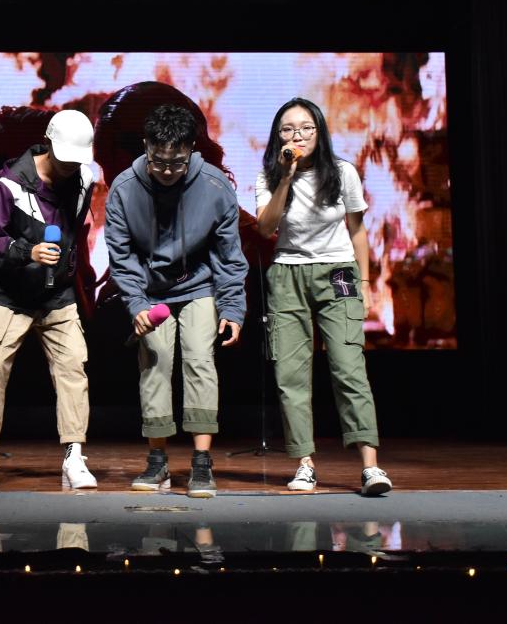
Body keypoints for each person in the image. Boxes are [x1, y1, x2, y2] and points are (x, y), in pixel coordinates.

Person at [105, 103, 248, 498]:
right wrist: (136, 304)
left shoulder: (215, 187)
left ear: (191, 150)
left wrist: (233, 308)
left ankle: (201, 462)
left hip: (199, 285)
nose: (167, 171)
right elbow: (121, 256)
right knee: (155, 362)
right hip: (151, 291)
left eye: (177, 163)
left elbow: (228, 255)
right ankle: (157, 460)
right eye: (159, 161)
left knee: (200, 360)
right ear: (146, 146)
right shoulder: (124, 189)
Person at [255, 97, 392, 496]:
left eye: (305, 128)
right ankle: (304, 465)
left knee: (349, 367)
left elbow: (357, 230)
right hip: (288, 274)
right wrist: (285, 178)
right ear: (278, 136)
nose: (297, 135)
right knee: (290, 375)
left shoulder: (343, 172)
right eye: (288, 129)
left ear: (319, 131)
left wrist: (364, 284)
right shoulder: (268, 175)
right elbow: (265, 228)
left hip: (339, 274)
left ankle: (370, 467)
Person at [0, 109, 98, 490]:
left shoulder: (84, 178)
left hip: (57, 294)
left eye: (76, 160)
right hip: (8, 295)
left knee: (73, 368)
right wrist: (29, 252)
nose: (71, 167)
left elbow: (75, 229)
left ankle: (74, 456)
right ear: (48, 144)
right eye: (65, 158)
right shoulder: (9, 185)